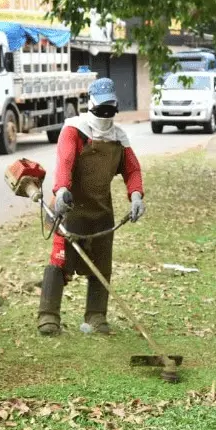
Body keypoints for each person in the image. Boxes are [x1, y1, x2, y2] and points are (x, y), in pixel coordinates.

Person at [38, 78, 146, 336]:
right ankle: (48, 316)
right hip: (70, 208)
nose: (106, 115)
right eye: (102, 109)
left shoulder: (119, 138)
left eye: (111, 110)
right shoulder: (74, 130)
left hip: (101, 213)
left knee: (101, 265)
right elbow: (64, 162)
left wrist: (136, 195)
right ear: (91, 105)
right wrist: (62, 189)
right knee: (60, 261)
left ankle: (96, 316)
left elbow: (132, 169)